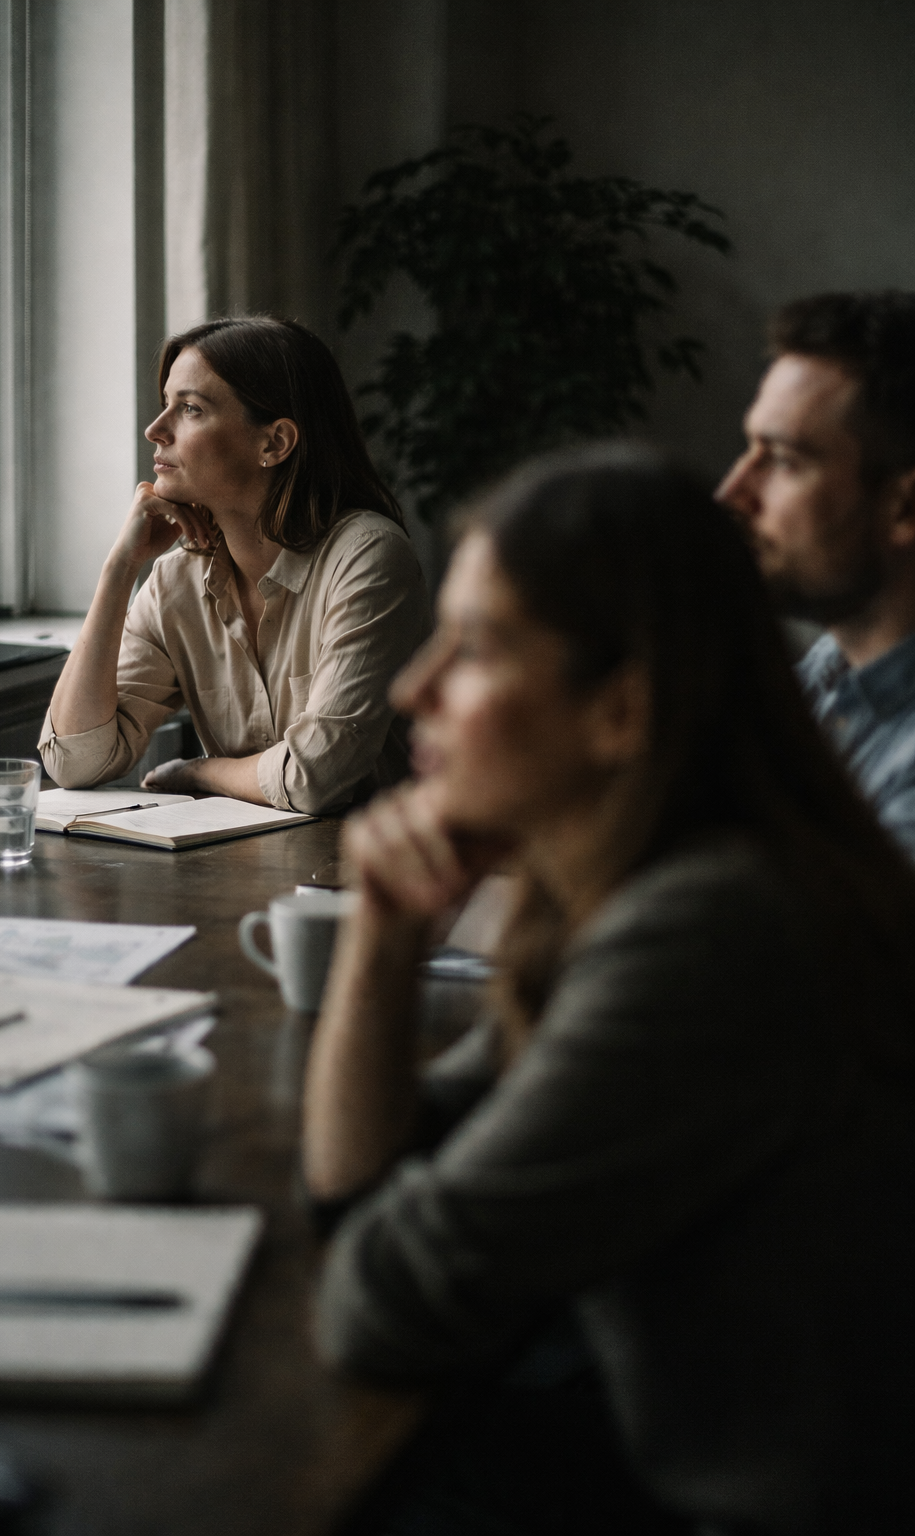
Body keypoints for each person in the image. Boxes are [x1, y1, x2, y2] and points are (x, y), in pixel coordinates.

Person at [303, 446, 915, 1535]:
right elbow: (387, 1173)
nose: (412, 690)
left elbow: (382, 1302)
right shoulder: (656, 879)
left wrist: (379, 1217)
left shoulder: (712, 928)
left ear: (620, 710)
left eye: (474, 649)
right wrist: (383, 939)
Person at [40, 316, 431, 814]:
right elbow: (76, 762)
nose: (155, 430)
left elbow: (315, 777)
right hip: (237, 859)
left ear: (274, 443)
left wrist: (198, 773)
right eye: (166, 404)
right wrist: (119, 568)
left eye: (191, 409)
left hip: (374, 856)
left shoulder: (368, 557)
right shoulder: (175, 581)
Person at [716, 291, 915, 856]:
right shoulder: (823, 676)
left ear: (905, 508)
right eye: (748, 450)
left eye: (782, 461)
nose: (731, 493)